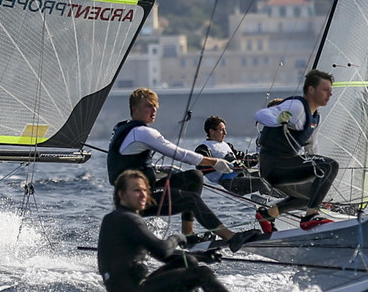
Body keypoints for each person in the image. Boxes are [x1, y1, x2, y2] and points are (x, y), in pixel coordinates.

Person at [107, 88, 261, 248]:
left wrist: (164, 169)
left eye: (155, 106)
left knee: (194, 176)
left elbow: (128, 163)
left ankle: (188, 235)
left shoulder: (122, 128)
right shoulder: (143, 132)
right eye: (148, 106)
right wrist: (214, 162)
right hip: (135, 200)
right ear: (134, 109)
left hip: (136, 192)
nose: (153, 110)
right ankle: (231, 237)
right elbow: (179, 154)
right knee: (190, 200)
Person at [97, 170, 239, 292]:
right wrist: (177, 237)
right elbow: (162, 250)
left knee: (188, 261)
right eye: (136, 190)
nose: (143, 195)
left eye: (145, 190)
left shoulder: (115, 218)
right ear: (121, 195)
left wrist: (202, 256)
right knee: (201, 274)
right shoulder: (127, 218)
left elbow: (161, 255)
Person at [252, 70, 340, 232]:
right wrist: (277, 119)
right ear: (311, 90)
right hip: (274, 165)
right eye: (325, 89)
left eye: (331, 90)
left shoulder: (315, 118)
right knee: (331, 165)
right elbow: (261, 114)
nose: (330, 94)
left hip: (284, 168)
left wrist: (324, 176)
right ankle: (310, 216)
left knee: (315, 192)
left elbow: (312, 148)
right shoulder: (297, 106)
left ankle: (269, 213)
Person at [194, 116, 269, 195]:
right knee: (260, 182)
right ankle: (275, 203)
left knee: (269, 175)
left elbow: (242, 159)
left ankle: (280, 198)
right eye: (222, 130)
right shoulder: (204, 148)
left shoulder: (227, 145)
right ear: (211, 131)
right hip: (230, 182)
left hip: (243, 175)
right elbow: (201, 164)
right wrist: (225, 163)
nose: (225, 133)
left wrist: (258, 157)